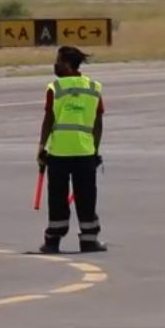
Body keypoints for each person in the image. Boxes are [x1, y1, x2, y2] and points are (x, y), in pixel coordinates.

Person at [37, 46, 105, 253]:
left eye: (58, 61)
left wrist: (41, 147)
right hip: (85, 153)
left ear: (66, 64)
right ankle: (89, 240)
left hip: (59, 153)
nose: (55, 65)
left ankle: (53, 241)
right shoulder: (93, 87)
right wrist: (95, 149)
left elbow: (49, 119)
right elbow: (98, 122)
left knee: (57, 198)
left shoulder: (55, 88)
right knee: (86, 198)